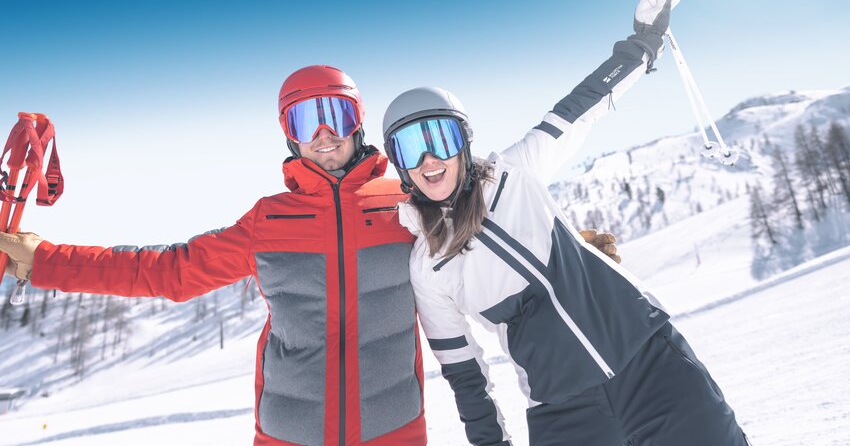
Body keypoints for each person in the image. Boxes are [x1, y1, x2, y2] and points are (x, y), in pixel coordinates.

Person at [0, 65, 620, 446]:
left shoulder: (405, 201)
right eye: (306, 117)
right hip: (287, 437)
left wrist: (579, 252)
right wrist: (39, 258)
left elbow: (482, 234)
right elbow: (166, 272)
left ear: (357, 122)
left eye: (336, 113)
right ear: (289, 133)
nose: (323, 131)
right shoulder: (270, 220)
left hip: (395, 434)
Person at [380, 0, 750, 446]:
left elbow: (583, 106)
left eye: (441, 138)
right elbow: (464, 372)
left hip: (654, 368)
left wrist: (643, 42)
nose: (430, 159)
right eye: (412, 147)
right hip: (565, 415)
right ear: (400, 164)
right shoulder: (428, 266)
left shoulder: (513, 174)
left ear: (464, 141)